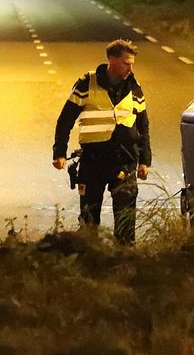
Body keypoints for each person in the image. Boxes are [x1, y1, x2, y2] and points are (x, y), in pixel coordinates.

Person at [52, 38, 151, 242]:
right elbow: (65, 120)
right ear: (111, 60)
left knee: (126, 218)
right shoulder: (87, 83)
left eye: (132, 63)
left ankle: (124, 260)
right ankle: (90, 260)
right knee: (89, 218)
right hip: (94, 160)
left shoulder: (134, 86)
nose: (130, 68)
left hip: (125, 158)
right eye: (126, 63)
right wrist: (59, 153)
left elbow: (142, 125)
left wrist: (144, 161)